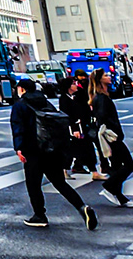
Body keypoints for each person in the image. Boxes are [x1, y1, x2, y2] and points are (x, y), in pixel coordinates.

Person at [12, 76, 98, 229]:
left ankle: (40, 215)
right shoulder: (45, 102)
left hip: (33, 151)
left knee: (34, 184)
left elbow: (18, 128)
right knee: (60, 183)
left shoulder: (20, 105)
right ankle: (81, 207)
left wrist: (19, 148)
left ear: (22, 89)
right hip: (52, 150)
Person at [88, 74, 133, 208]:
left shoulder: (101, 96)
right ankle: (109, 187)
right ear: (100, 80)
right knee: (129, 165)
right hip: (111, 136)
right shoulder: (102, 98)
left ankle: (120, 197)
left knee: (116, 166)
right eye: (105, 75)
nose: (109, 76)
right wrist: (115, 130)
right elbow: (103, 117)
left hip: (109, 135)